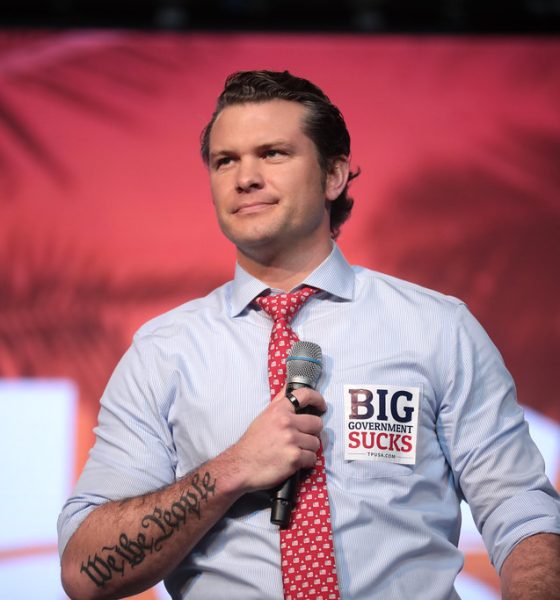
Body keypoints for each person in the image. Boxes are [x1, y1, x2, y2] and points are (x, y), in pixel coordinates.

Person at [58, 70, 560, 600]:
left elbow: (521, 510)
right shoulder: (163, 351)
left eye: (272, 153)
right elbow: (84, 571)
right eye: (225, 161)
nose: (244, 178)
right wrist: (232, 470)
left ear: (334, 175)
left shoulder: (436, 327)